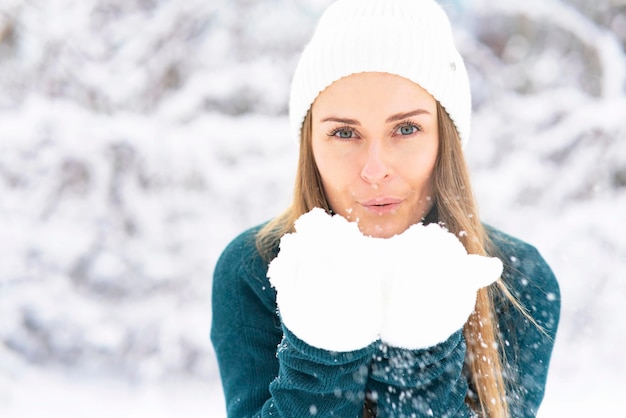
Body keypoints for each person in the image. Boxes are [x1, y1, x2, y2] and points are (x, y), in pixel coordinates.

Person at [210, 0, 560, 416]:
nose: (375, 170)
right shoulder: (256, 270)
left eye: (406, 128)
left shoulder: (515, 281)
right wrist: (320, 352)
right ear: (310, 145)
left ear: (444, 140)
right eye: (344, 132)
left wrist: (421, 355)